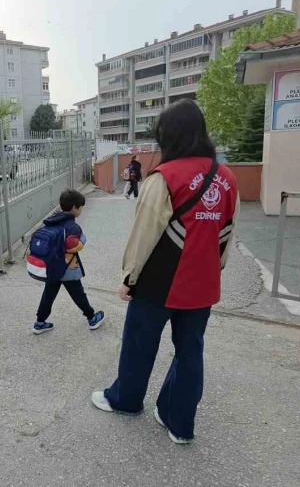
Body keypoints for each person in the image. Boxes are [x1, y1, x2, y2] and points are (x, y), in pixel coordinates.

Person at [91, 99, 240, 445]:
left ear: (168, 135)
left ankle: (126, 400)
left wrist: (129, 278)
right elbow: (228, 231)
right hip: (203, 282)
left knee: (139, 344)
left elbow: (144, 234)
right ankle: (179, 421)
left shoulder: (165, 177)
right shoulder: (227, 177)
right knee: (190, 351)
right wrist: (214, 269)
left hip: (160, 282)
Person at [28, 189, 105, 334]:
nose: (81, 210)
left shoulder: (51, 220)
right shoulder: (72, 226)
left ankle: (39, 323)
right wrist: (83, 239)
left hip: (52, 266)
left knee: (48, 295)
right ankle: (92, 318)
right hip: (67, 268)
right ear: (75, 207)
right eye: (81, 207)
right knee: (78, 294)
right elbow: (73, 246)